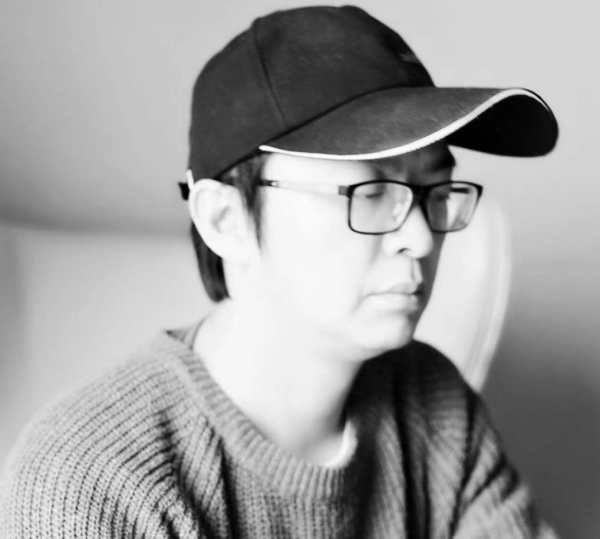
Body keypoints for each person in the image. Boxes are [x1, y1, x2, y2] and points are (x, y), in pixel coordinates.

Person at [0, 5, 559, 538]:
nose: (420, 238)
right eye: (371, 192)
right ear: (225, 219)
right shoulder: (93, 485)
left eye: (434, 189)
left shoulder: (436, 406)